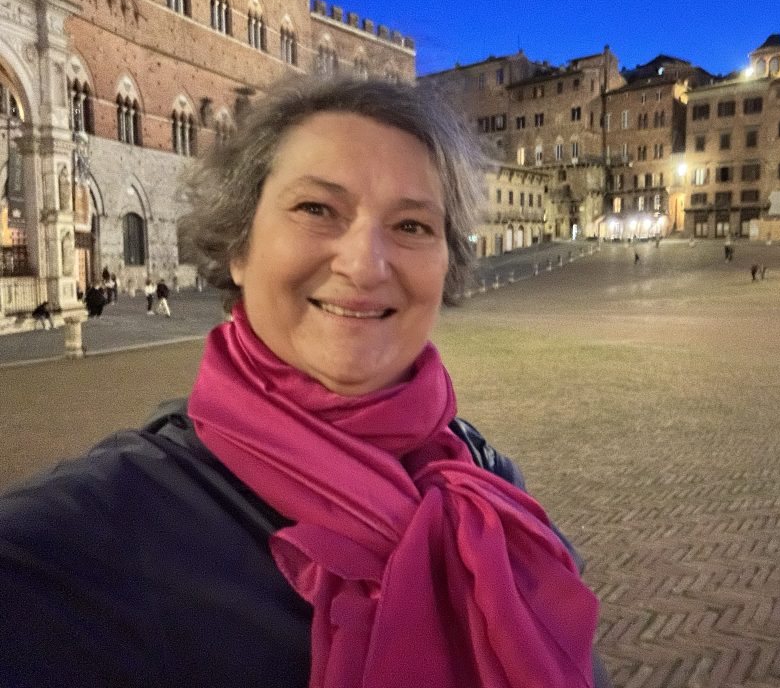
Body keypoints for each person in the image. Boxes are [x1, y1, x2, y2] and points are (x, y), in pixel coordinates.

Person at [0, 76, 607, 688]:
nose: (366, 264)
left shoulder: (487, 478)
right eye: (316, 209)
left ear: (448, 264)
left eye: (413, 225)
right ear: (239, 246)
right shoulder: (75, 545)